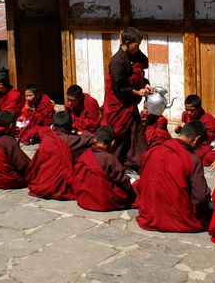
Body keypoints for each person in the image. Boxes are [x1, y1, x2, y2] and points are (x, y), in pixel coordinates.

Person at [135, 120, 212, 233]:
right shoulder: (191, 160)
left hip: (149, 212)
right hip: (176, 217)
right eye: (199, 146)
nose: (197, 149)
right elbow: (200, 198)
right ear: (197, 139)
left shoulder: (153, 151)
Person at [103, 27, 153, 171]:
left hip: (128, 105)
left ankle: (139, 162)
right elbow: (119, 88)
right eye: (136, 45)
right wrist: (138, 93)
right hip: (119, 105)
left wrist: (146, 83)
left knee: (136, 135)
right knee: (118, 136)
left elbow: (139, 74)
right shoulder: (117, 61)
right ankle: (112, 163)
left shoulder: (132, 56)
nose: (138, 48)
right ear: (126, 43)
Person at [26, 111, 94, 200]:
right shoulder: (71, 140)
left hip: (40, 183)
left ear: (53, 126)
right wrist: (80, 133)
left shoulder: (47, 137)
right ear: (70, 126)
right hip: (59, 187)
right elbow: (94, 139)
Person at [73, 125, 136, 211]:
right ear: (112, 142)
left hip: (83, 199)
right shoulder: (110, 159)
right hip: (103, 202)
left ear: (95, 140)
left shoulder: (84, 156)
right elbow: (125, 183)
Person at [175, 94, 215, 160]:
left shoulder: (208, 119)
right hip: (187, 142)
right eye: (187, 110)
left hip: (199, 144)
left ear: (199, 109)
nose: (189, 113)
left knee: (199, 154)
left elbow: (207, 139)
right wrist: (179, 126)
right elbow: (177, 131)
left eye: (192, 110)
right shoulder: (185, 114)